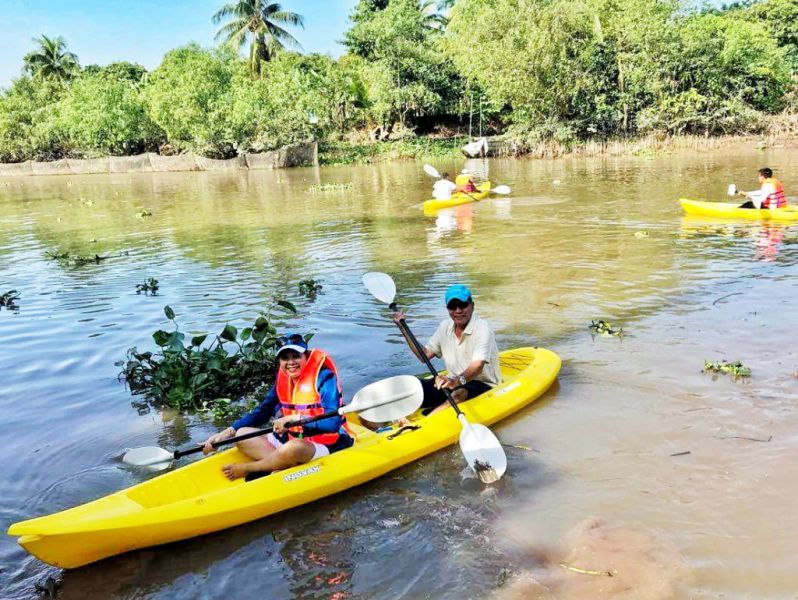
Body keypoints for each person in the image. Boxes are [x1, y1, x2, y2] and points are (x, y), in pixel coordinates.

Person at [202, 333, 353, 480]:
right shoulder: (284, 379)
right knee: (241, 434)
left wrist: (296, 419)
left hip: (323, 444)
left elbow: (332, 423)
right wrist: (226, 434)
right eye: (284, 358)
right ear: (279, 361)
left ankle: (252, 468)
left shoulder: (324, 378)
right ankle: (280, 464)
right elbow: (263, 411)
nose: (290, 362)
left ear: (306, 355)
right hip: (290, 439)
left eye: (296, 356)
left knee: (294, 448)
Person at [393, 284, 501, 413]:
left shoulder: (482, 328)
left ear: (472, 306)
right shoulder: (445, 326)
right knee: (412, 386)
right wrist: (403, 328)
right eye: (452, 306)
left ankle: (427, 423)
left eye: (462, 305)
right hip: (451, 382)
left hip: (482, 384)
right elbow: (424, 356)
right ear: (448, 308)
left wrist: (456, 381)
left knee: (459, 393)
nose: (458, 310)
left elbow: (477, 366)